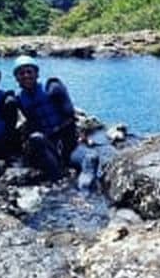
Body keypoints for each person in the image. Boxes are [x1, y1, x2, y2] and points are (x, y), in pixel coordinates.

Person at [12, 55, 98, 188]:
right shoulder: (19, 99)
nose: (26, 76)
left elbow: (70, 114)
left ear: (37, 73)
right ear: (16, 78)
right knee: (36, 138)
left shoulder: (52, 87)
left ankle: (84, 194)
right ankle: (59, 180)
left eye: (29, 71)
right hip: (48, 146)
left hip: (68, 145)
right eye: (21, 73)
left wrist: (81, 135)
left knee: (91, 157)